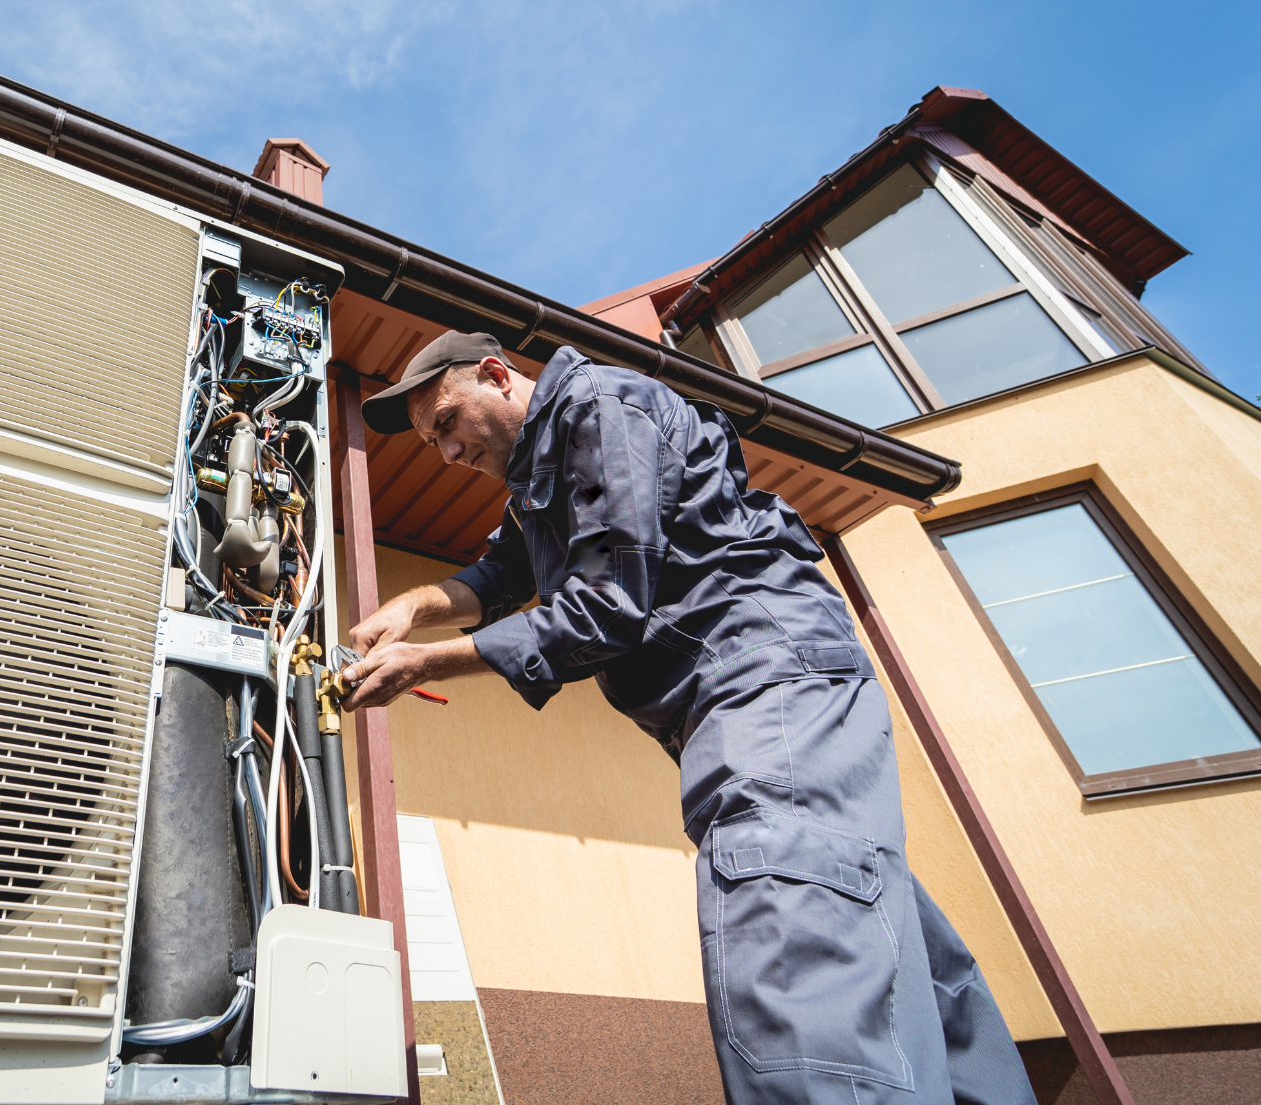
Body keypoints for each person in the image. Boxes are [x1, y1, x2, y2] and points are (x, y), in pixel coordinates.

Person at [341, 331, 1036, 1105]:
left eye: (446, 424)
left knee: (792, 922)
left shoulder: (599, 408)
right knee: (881, 931)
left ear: (499, 377)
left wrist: (427, 663)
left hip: (765, 679)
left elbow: (607, 605)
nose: (445, 453)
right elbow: (500, 573)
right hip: (751, 697)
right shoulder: (545, 476)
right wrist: (413, 606)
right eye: (433, 441)